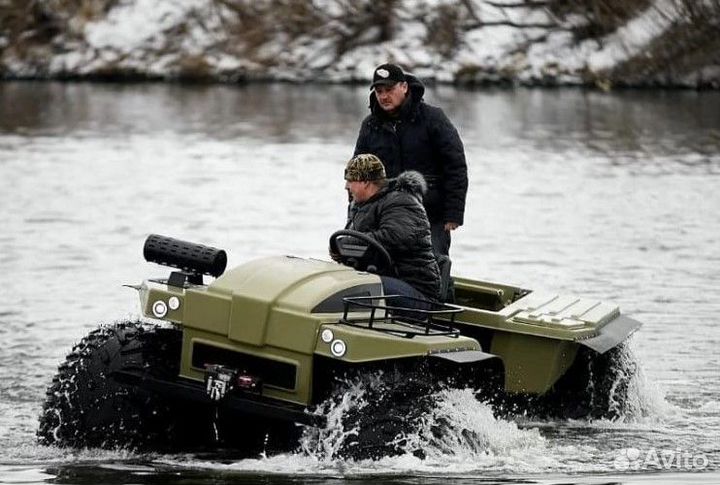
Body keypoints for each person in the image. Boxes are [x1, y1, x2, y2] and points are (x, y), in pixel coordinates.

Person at [353, 62, 468, 260]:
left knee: (433, 264)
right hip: (384, 214)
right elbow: (358, 172)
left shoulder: (433, 118)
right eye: (379, 91)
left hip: (430, 213)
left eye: (389, 89)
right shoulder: (370, 125)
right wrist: (355, 212)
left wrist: (453, 214)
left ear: (404, 87)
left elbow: (455, 167)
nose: (383, 96)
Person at [334, 153, 440, 302]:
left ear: (365, 182)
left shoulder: (401, 202)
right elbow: (364, 248)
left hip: (415, 290)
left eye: (350, 180)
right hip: (381, 277)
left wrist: (348, 243)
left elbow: (395, 237)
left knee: (357, 289)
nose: (346, 186)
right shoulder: (359, 207)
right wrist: (342, 252)